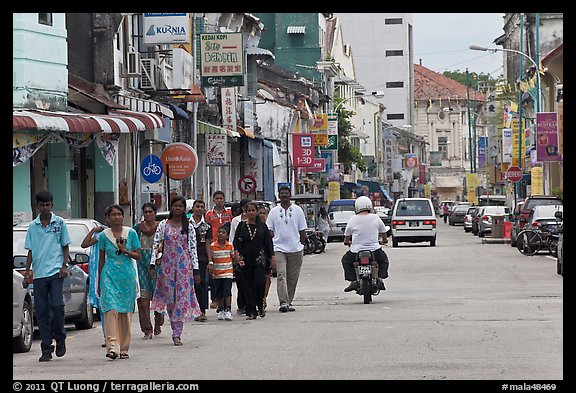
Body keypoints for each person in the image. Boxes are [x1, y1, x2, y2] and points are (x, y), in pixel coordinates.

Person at [23, 190, 71, 362]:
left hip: (56, 272)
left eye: (47, 205)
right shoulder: (32, 226)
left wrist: (64, 266)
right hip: (39, 275)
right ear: (37, 206)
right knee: (42, 312)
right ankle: (45, 348)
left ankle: (60, 338)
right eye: (41, 205)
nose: (44, 208)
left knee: (57, 306)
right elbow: (30, 250)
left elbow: (65, 245)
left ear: (52, 204)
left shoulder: (59, 223)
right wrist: (27, 272)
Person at [150, 196, 202, 346]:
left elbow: (193, 248)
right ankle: (170, 322)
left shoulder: (189, 226)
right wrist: (152, 264)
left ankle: (177, 332)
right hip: (166, 266)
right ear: (171, 207)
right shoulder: (163, 225)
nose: (178, 208)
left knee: (180, 299)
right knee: (170, 300)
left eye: (181, 206)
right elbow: (156, 245)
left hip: (184, 267)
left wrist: (196, 269)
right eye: (175, 206)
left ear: (184, 208)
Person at [98, 204, 142, 360]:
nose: (116, 217)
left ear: (123, 217)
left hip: (126, 277)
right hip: (109, 276)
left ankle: (124, 347)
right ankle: (112, 346)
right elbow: (101, 259)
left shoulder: (131, 233)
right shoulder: (104, 236)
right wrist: (99, 283)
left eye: (119, 214)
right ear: (108, 218)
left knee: (125, 313)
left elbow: (139, 255)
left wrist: (125, 251)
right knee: (110, 310)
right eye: (113, 214)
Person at [266, 186, 308, 313]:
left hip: (295, 248)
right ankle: (283, 302)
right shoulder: (273, 211)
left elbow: (302, 230)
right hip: (278, 248)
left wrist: (301, 244)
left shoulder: (297, 210)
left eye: (286, 193)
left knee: (292, 278)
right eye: (282, 193)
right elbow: (269, 230)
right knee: (281, 275)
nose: (284, 195)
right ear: (279, 196)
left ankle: (289, 301)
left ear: (290, 195)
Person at [233, 202, 275, 319]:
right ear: (245, 212)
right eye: (249, 210)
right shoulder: (241, 226)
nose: (251, 213)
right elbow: (236, 243)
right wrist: (237, 256)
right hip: (245, 260)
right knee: (247, 285)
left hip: (260, 260)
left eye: (253, 210)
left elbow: (268, 244)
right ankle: (251, 311)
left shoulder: (262, 226)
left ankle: (260, 304)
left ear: (256, 212)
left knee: (259, 283)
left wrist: (272, 257)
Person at [341, 196, 389, 293]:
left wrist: (347, 242)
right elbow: (383, 231)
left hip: (355, 252)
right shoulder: (375, 217)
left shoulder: (353, 219)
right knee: (384, 260)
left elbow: (347, 235)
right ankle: (380, 279)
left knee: (345, 260)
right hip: (375, 251)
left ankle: (353, 281)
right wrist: (384, 240)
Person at [132, 202, 164, 339]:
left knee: (158, 297)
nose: (148, 214)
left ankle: (158, 323)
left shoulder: (161, 227)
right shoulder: (138, 228)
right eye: (145, 212)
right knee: (143, 298)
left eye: (150, 211)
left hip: (158, 264)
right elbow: (132, 243)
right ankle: (147, 329)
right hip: (141, 265)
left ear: (155, 213)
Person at [80, 220, 107, 347]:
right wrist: (92, 231)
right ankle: (107, 336)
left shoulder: (118, 234)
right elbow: (84, 244)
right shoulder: (100, 235)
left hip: (112, 272)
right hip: (98, 272)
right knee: (102, 306)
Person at [205, 191, 233, 310]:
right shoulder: (209, 214)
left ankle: (226, 305)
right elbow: (207, 229)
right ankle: (215, 299)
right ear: (213, 200)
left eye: (221, 198)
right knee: (213, 275)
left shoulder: (229, 213)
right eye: (217, 198)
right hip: (214, 246)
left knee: (226, 276)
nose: (219, 200)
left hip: (226, 245)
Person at [189, 199, 213, 322]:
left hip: (202, 257)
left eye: (201, 206)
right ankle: (191, 309)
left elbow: (208, 243)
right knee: (189, 284)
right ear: (193, 208)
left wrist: (210, 261)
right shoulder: (187, 223)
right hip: (187, 257)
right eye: (197, 206)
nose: (199, 208)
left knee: (202, 282)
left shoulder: (207, 225)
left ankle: (202, 310)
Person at [208, 225, 237, 321]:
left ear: (227, 236)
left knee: (227, 291)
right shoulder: (213, 246)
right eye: (219, 232)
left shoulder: (230, 246)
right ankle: (221, 309)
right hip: (217, 273)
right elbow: (211, 258)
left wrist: (238, 261)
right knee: (219, 292)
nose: (221, 234)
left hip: (227, 272)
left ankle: (228, 309)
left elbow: (233, 257)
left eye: (223, 232)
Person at [228, 199, 250, 315]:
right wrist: (234, 255)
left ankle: (251, 304)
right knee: (241, 281)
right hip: (239, 253)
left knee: (251, 281)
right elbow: (232, 239)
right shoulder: (235, 221)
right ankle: (241, 305)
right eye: (247, 207)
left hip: (252, 254)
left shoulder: (255, 220)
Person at [258, 204, 272, 310]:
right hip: (255, 258)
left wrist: (272, 256)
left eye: (264, 213)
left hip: (266, 257)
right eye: (260, 213)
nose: (262, 215)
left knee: (267, 279)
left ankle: (263, 298)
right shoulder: (251, 226)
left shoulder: (268, 227)